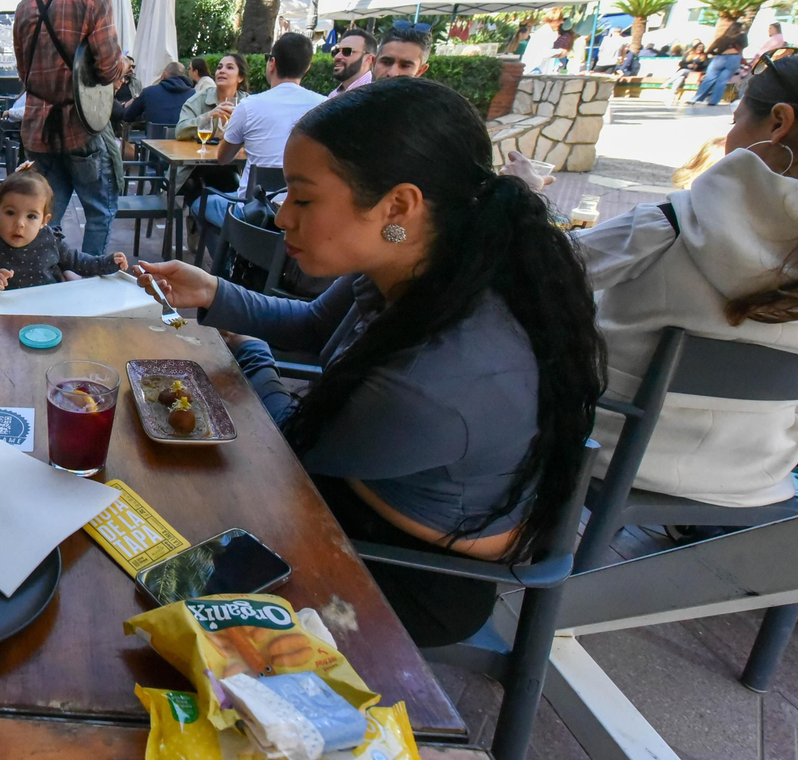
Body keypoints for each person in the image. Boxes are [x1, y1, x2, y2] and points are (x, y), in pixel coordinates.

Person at [135, 77, 604, 646]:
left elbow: (292, 451)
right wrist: (213, 293)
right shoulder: (419, 263)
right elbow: (311, 325)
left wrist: (250, 353)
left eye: (303, 198)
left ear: (398, 205)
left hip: (404, 569)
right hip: (353, 491)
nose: (282, 216)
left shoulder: (434, 378)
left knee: (165, 532)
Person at [574, 53, 798, 516]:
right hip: (760, 473)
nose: (727, 137)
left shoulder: (670, 225)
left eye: (735, 119)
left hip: (606, 452)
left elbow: (534, 271)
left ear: (779, 123)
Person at [13, 0, 125, 256]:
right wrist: (124, 67)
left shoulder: (26, 2)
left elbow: (24, 74)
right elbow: (107, 69)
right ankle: (89, 292)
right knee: (100, 211)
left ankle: (40, 281)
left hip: (38, 131)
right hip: (81, 129)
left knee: (43, 217)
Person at [201, 34, 325, 233]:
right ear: (307, 67)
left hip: (253, 211)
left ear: (272, 63)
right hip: (303, 213)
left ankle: (228, 258)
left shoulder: (249, 106)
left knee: (201, 203)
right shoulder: (325, 106)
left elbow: (223, 158)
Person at [0, 169, 127, 293]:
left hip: (51, 309)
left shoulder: (51, 240)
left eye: (31, 216)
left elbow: (80, 262)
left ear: (44, 221)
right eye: (10, 213)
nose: (19, 224)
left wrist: (109, 263)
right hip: (8, 314)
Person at [176, 53, 249, 140]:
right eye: (219, 67)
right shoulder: (198, 100)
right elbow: (179, 131)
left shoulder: (248, 103)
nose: (222, 71)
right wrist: (209, 116)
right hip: (200, 152)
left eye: (229, 67)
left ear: (240, 77)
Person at [122, 61, 195, 128]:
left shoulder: (148, 92)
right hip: (184, 140)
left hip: (153, 139)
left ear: (164, 75)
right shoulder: (193, 94)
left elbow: (128, 116)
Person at [693, 24, 747, 106]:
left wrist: (718, 53)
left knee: (709, 79)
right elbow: (745, 45)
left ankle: (695, 99)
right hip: (734, 58)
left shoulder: (722, 39)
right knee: (722, 81)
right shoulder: (741, 37)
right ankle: (713, 101)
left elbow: (710, 50)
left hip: (720, 58)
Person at [326, 27, 375, 97]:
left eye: (347, 51)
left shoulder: (374, 94)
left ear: (368, 59)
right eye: (336, 52)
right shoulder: (333, 95)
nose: (337, 57)